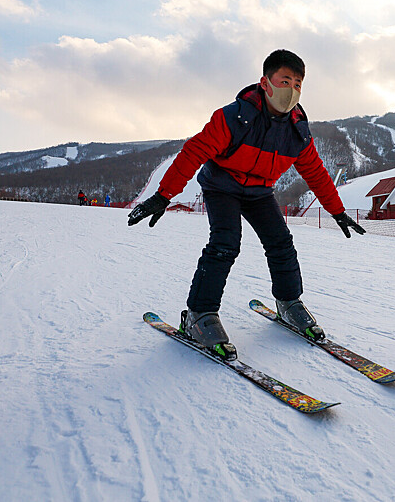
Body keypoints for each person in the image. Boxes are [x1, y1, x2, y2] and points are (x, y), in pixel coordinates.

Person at [127, 49, 365, 360]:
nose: (291, 90)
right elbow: (193, 152)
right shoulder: (234, 117)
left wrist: (337, 210)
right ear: (265, 83)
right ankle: (199, 315)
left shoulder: (296, 131)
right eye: (284, 81)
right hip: (221, 186)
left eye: (298, 84)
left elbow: (316, 172)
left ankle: (289, 303)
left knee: (280, 241)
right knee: (225, 243)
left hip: (259, 192)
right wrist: (163, 195)